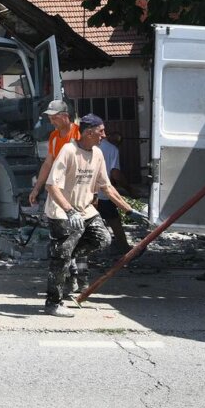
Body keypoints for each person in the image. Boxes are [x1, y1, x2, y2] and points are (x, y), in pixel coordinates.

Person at [41, 114, 138, 317]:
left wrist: (129, 209)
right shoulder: (68, 151)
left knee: (102, 239)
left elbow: (107, 186)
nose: (104, 135)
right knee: (62, 255)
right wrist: (69, 210)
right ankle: (53, 303)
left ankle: (64, 257)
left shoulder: (98, 154)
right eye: (100, 131)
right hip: (61, 211)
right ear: (88, 132)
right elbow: (51, 185)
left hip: (85, 210)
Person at [27, 100, 79, 208]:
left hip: (76, 189)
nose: (52, 122)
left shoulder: (77, 133)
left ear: (66, 116)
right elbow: (47, 164)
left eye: (54, 118)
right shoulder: (53, 136)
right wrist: (36, 189)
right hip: (58, 188)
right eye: (50, 119)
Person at [97, 127, 132, 252]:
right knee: (114, 219)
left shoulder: (89, 144)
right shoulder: (112, 149)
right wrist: (129, 190)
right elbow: (116, 174)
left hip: (87, 192)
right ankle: (123, 247)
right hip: (103, 192)